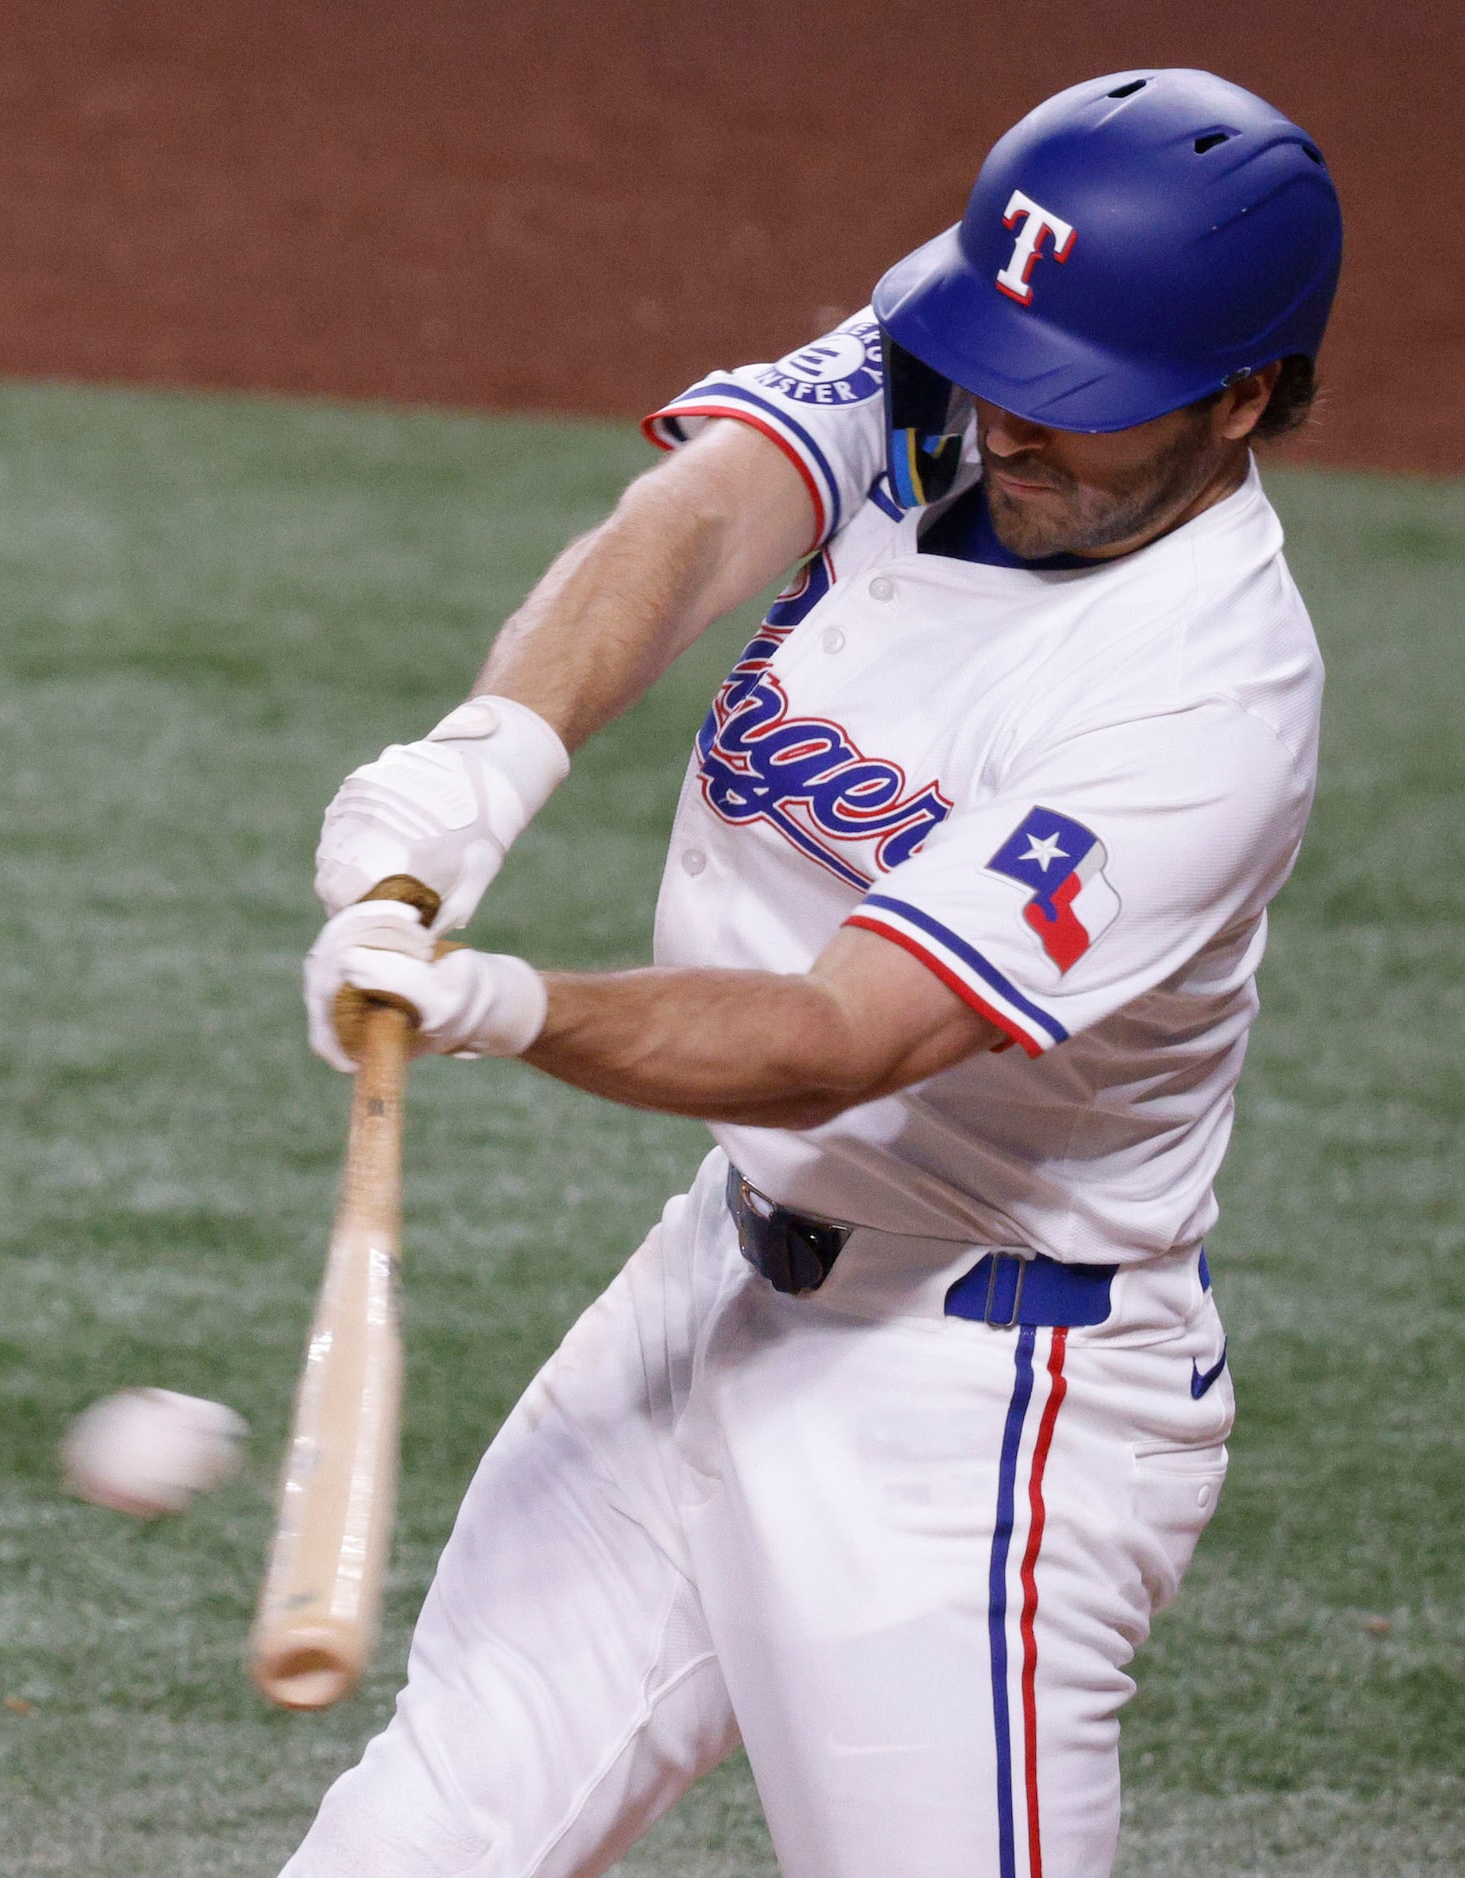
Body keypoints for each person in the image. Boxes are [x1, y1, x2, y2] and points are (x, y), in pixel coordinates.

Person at [286, 68, 1341, 1878]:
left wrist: (504, 1003)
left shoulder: (1202, 698)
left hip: (973, 1400)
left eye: (1077, 408)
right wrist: (486, 764)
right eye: (1000, 371)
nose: (1009, 428)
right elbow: (699, 518)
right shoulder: (984, 349)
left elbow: (839, 1038)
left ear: (1243, 395)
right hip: (716, 1282)